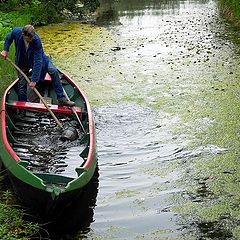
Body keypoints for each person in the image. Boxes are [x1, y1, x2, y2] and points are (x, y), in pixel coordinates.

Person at [0, 24, 75, 107]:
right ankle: (23, 106)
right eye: (30, 38)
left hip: (38, 59)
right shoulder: (16, 32)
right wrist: (5, 50)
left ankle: (61, 99)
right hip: (22, 60)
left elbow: (38, 61)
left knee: (53, 71)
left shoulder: (36, 40)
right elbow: (8, 38)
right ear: (23, 35)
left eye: (33, 37)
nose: (32, 39)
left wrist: (34, 80)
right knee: (22, 84)